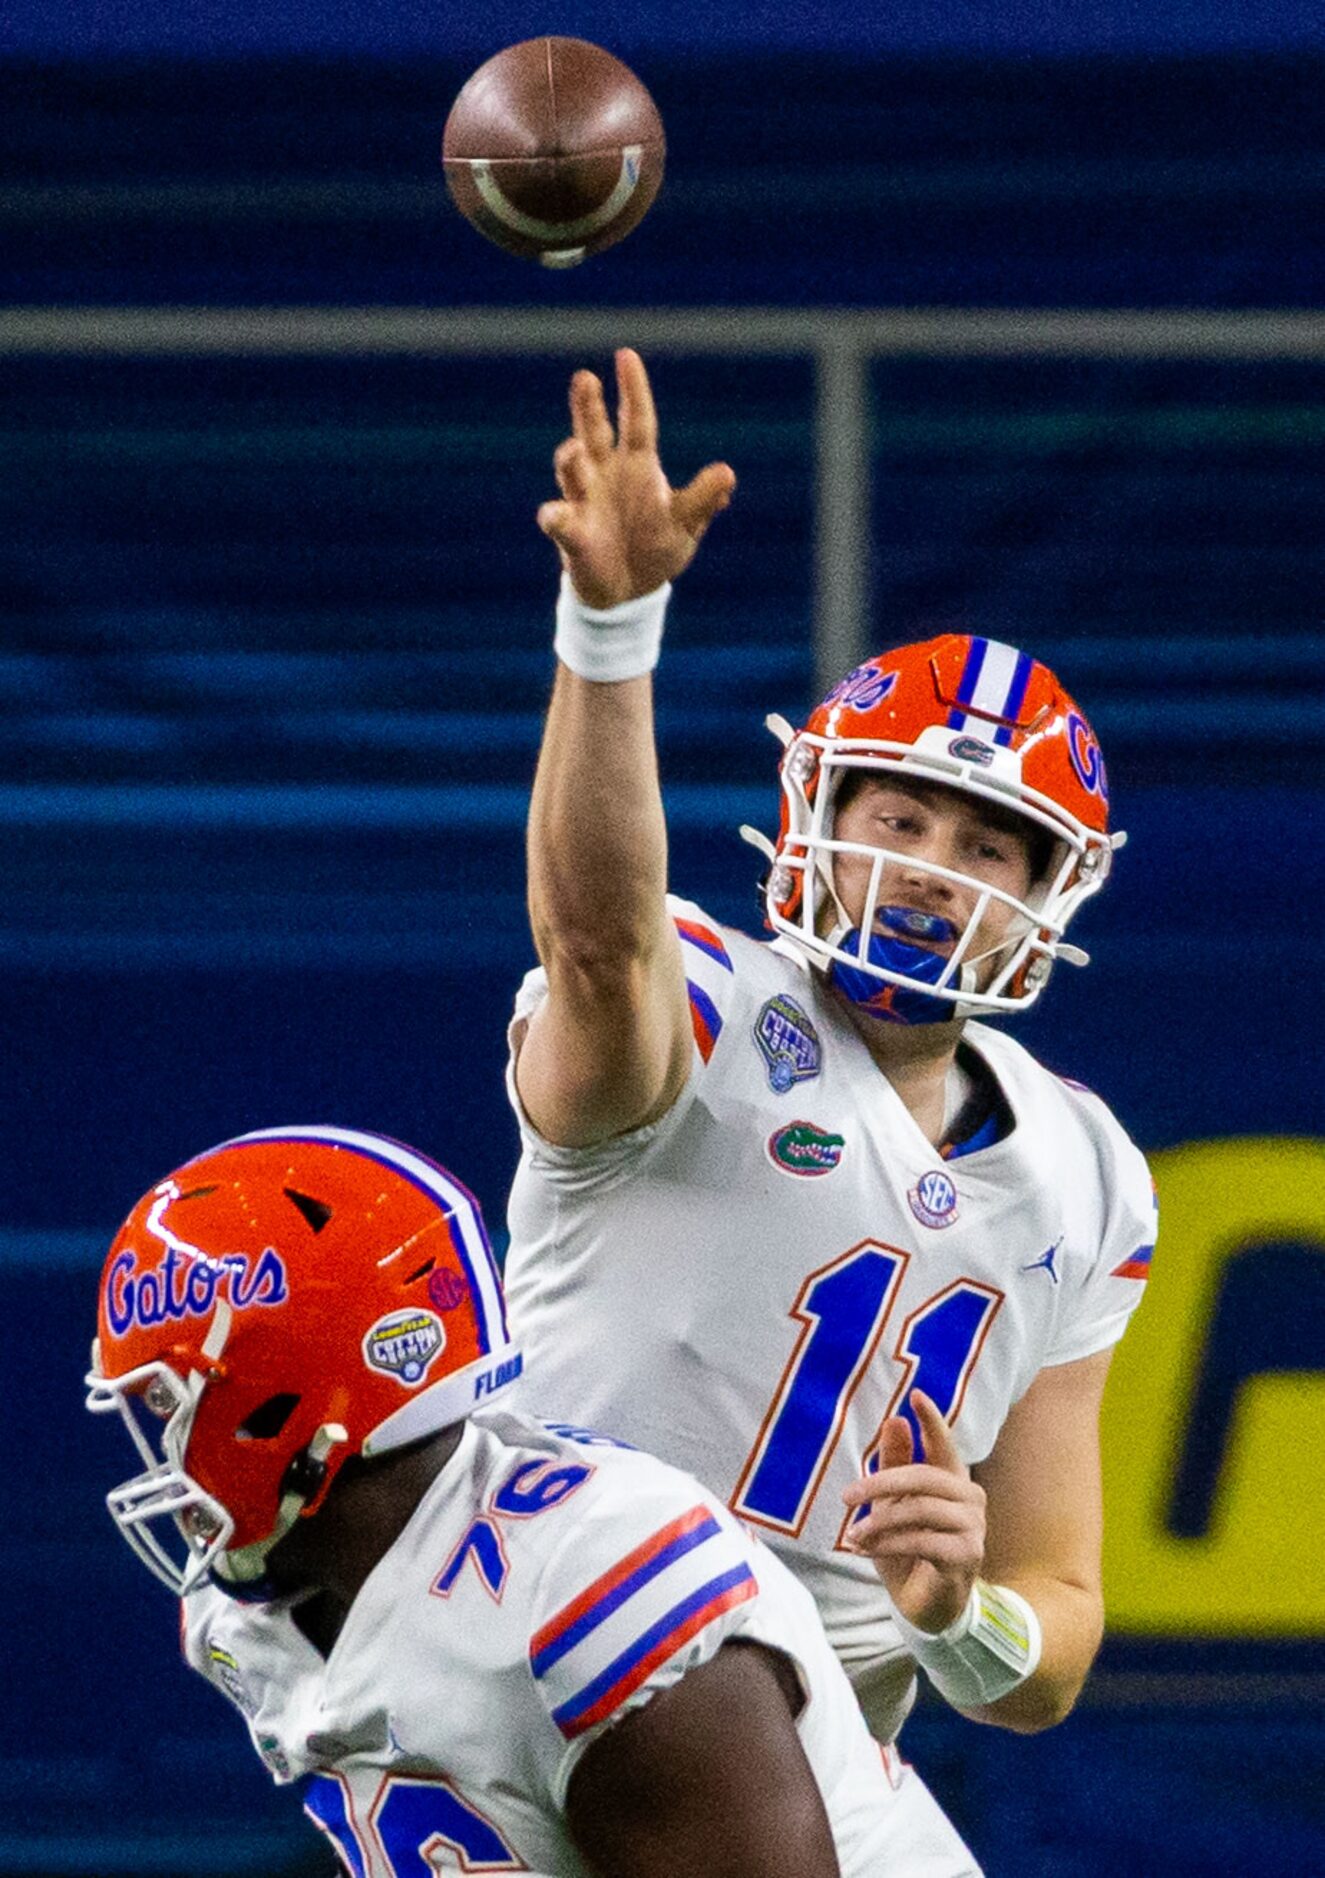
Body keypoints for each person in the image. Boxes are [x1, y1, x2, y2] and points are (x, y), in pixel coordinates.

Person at [502, 348, 1157, 1746]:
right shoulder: (699, 1003)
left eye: (989, 844)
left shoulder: (1089, 1176)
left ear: (1056, 899)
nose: (933, 869)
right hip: (543, 1693)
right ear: (819, 819)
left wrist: (954, 1614)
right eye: (901, 819)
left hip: (822, 1763)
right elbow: (598, 947)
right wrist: (609, 632)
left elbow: (1054, 1632)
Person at [85, 1122, 983, 1878]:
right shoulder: (246, 1611)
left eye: (169, 1403)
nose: (159, 1445)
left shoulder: (589, 1583)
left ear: (291, 1404)